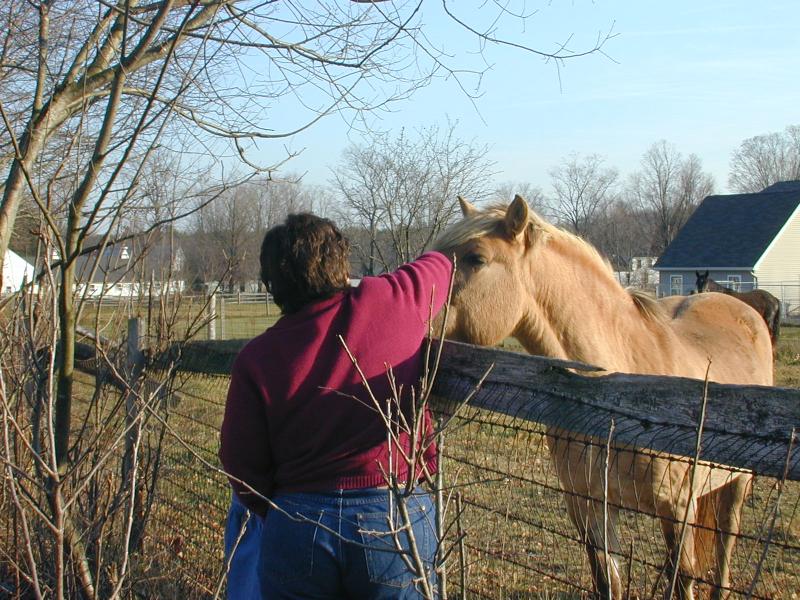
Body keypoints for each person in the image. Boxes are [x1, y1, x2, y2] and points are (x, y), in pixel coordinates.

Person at [219, 212, 452, 599]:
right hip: (391, 514)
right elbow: (442, 264)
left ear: (273, 284)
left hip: (297, 521)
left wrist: (281, 509)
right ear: (341, 264)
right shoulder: (391, 302)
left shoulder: (257, 358)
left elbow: (240, 464)